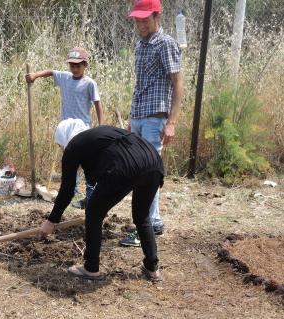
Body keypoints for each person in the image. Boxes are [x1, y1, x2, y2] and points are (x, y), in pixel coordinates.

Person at [40, 120, 164, 282]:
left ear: (65, 138)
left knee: (93, 211)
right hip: (152, 160)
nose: (62, 149)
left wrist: (52, 221)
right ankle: (152, 269)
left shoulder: (73, 145)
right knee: (142, 216)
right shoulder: (99, 136)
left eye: (60, 145)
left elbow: (67, 190)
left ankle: (91, 268)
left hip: (128, 164)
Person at [119, 0, 184, 246]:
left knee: (147, 171)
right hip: (138, 116)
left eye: (145, 19)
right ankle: (152, 220)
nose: (140, 24)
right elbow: (139, 85)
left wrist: (172, 122)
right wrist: (131, 117)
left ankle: (143, 224)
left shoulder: (166, 44)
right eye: (137, 19)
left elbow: (178, 84)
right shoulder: (140, 44)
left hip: (155, 117)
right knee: (139, 170)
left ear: (157, 16)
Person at [26, 47, 104, 209]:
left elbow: (97, 104)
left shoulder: (89, 83)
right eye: (72, 66)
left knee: (86, 162)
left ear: (85, 65)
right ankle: (71, 191)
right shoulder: (66, 78)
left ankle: (91, 195)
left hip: (82, 128)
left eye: (78, 66)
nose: (75, 69)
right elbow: (51, 72)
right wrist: (35, 75)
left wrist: (101, 125)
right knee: (69, 161)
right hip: (66, 127)